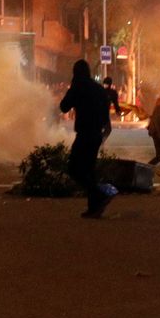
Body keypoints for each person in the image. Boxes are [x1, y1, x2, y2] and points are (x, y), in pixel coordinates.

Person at [59, 60, 116, 218]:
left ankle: (99, 194)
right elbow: (105, 116)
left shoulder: (78, 86)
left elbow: (64, 106)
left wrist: (73, 92)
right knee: (89, 170)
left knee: (74, 169)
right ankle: (94, 208)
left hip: (84, 134)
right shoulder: (98, 88)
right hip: (96, 134)